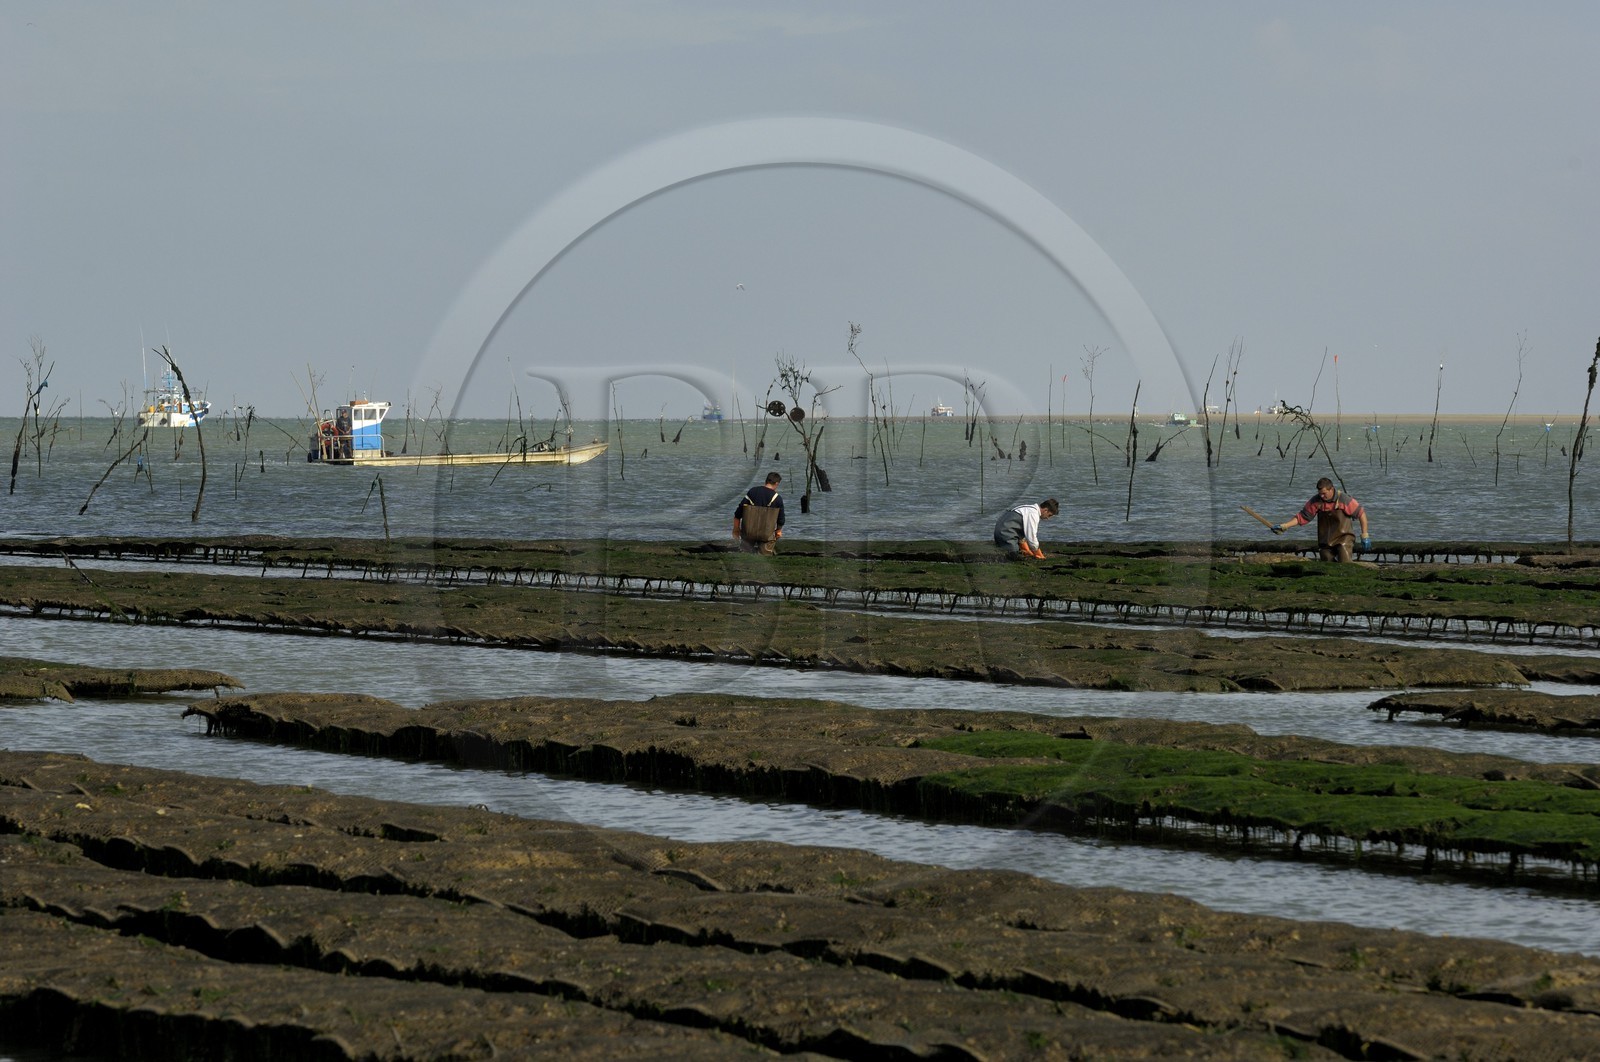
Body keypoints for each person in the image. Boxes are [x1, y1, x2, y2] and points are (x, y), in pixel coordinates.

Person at [1273, 477, 1371, 562]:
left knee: (1344, 559)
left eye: (1324, 493)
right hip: (1325, 541)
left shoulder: (1344, 499)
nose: (1322, 496)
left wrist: (1365, 535)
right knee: (1326, 561)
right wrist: (1285, 526)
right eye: (1320, 494)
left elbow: (1361, 514)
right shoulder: (1316, 501)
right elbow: (1302, 517)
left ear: (1331, 489)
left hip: (1344, 538)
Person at [733, 472, 785, 554]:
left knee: (745, 552)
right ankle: (765, 554)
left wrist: (736, 529)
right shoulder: (777, 498)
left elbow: (738, 513)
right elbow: (781, 519)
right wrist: (778, 531)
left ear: (766, 481)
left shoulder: (752, 491)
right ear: (777, 483)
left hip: (748, 532)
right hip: (766, 535)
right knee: (767, 551)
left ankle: (745, 554)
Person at [993, 497, 1059, 559]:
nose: (1048, 518)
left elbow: (1022, 537)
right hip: (1005, 534)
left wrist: (1029, 552)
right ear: (1045, 510)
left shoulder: (1028, 509)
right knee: (1014, 556)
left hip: (1000, 533)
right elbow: (1032, 538)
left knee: (1022, 553)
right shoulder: (1033, 514)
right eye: (1049, 515)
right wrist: (1040, 555)